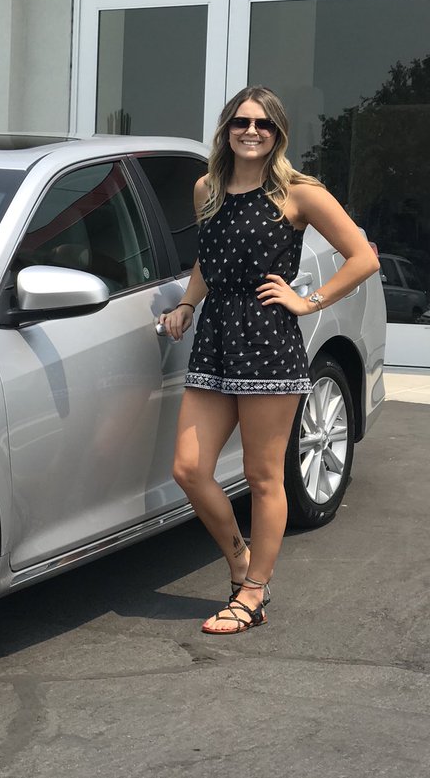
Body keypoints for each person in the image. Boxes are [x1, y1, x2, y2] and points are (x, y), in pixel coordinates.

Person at [159, 85, 379, 635]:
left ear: (277, 133)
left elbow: (363, 257)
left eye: (262, 124)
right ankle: (240, 563)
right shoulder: (206, 188)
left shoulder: (299, 194)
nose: (250, 131)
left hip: (269, 347)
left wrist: (310, 301)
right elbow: (209, 260)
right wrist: (188, 302)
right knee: (188, 468)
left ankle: (253, 594)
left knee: (262, 476)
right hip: (214, 341)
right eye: (241, 122)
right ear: (226, 129)